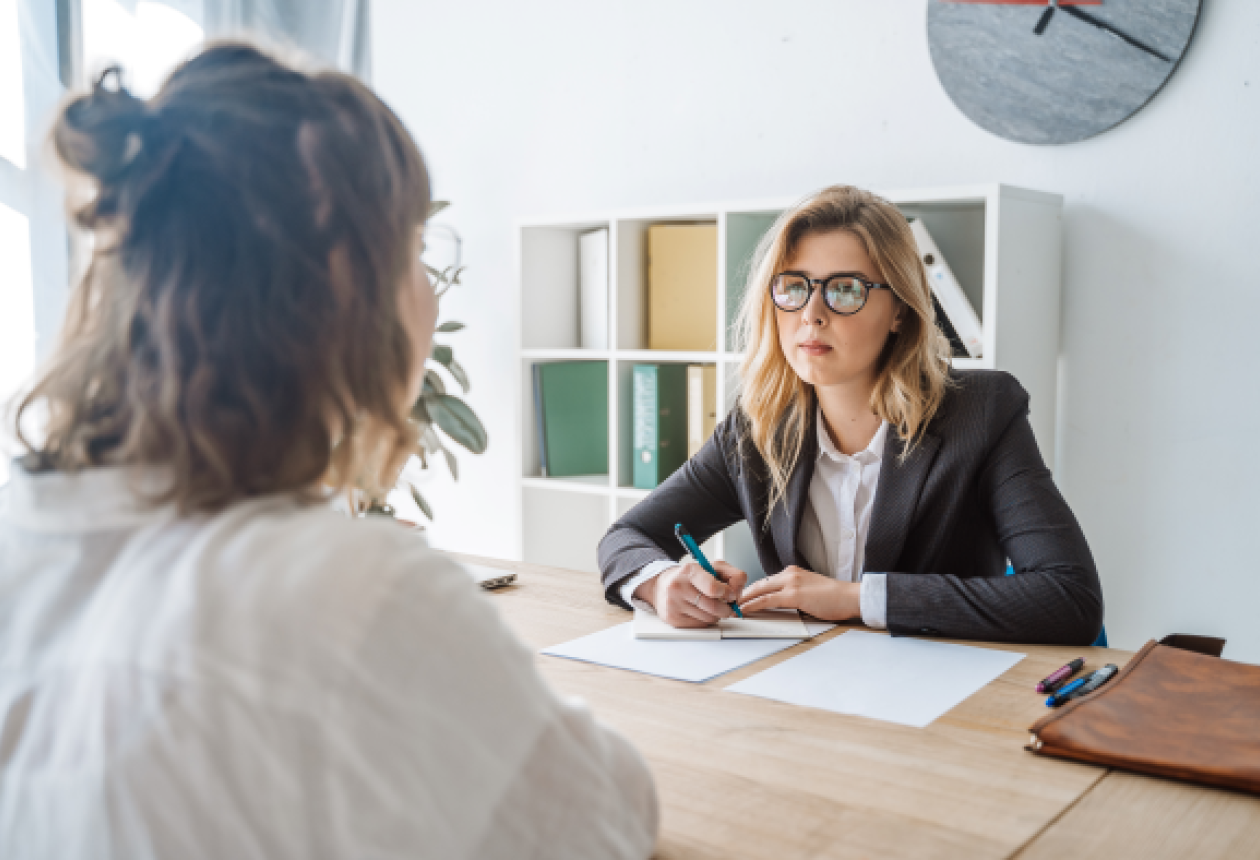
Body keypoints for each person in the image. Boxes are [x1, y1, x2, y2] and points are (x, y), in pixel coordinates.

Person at [0, 43, 656, 859]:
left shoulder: (21, 531)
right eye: (415, 249)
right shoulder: (352, 591)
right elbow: (600, 819)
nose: (431, 289)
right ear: (347, 280)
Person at [599, 185, 1103, 645]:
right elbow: (627, 538)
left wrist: (853, 599)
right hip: (806, 688)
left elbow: (1069, 598)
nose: (811, 314)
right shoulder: (756, 427)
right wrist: (662, 584)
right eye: (794, 286)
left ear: (901, 309)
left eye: (844, 290)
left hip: (938, 699)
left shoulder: (982, 413)